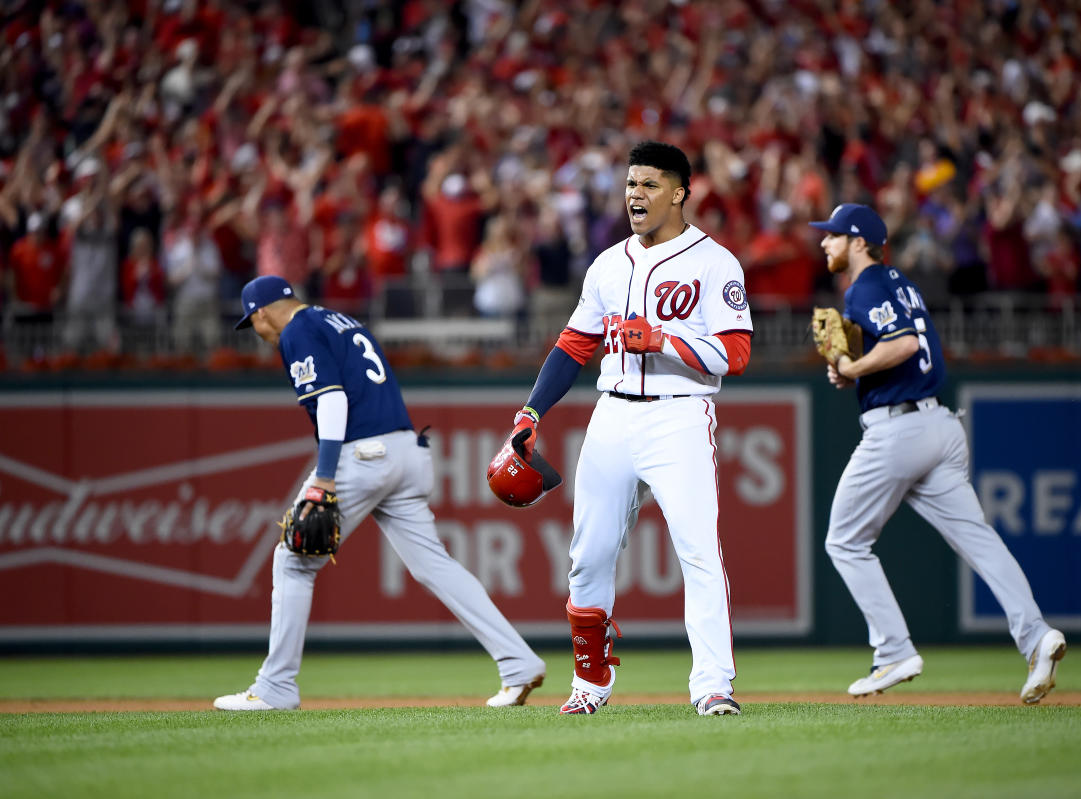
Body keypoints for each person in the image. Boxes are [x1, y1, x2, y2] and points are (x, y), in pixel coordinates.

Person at [497, 141, 753, 716]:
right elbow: (573, 346)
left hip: (680, 414)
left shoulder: (715, 262)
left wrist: (664, 339)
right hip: (611, 412)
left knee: (699, 553)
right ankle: (590, 685)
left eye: (650, 185)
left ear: (680, 192)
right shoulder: (608, 263)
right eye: (631, 184)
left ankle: (713, 686)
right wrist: (531, 413)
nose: (635, 195)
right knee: (588, 555)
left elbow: (735, 353)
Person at [215, 275, 545, 711]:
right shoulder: (342, 321)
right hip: (407, 451)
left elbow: (332, 400)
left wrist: (325, 478)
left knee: (292, 561)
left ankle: (276, 686)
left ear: (261, 312)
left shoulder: (298, 330)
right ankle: (518, 663)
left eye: (252, 322)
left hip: (362, 454)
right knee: (435, 566)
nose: (257, 332)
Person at [809, 203, 1066, 704]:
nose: (824, 242)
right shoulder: (899, 283)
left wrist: (854, 368)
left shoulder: (865, 286)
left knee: (845, 541)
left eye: (834, 235)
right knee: (979, 540)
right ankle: (1037, 636)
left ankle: (893, 651)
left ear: (858, 241)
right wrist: (853, 365)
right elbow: (898, 345)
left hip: (899, 431)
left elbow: (903, 344)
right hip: (940, 427)